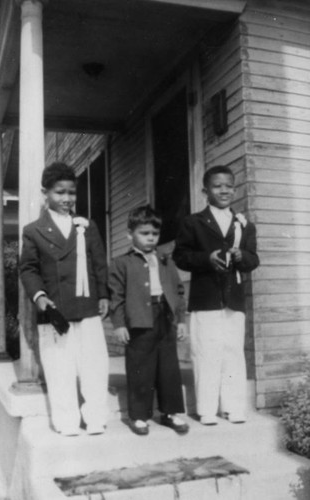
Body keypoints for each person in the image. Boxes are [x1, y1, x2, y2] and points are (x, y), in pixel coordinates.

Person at [20, 162, 109, 436]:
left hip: (87, 305)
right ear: (45, 192)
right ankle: (67, 422)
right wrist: (39, 296)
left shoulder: (86, 226)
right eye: (60, 192)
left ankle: (95, 418)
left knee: (94, 364)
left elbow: (99, 263)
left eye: (71, 193)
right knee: (60, 367)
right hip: (55, 308)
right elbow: (28, 268)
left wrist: (103, 294)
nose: (67, 199)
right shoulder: (34, 230)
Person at [173, 165, 259, 426]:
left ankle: (233, 408)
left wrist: (241, 256)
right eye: (217, 186)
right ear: (205, 191)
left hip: (233, 299)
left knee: (232, 351)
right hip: (206, 298)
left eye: (228, 186)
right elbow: (181, 256)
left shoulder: (243, 223)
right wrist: (206, 258)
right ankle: (207, 409)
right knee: (206, 351)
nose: (224, 190)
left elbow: (253, 259)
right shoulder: (194, 222)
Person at [108, 205, 189, 436]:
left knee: (168, 366)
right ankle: (139, 415)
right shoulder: (122, 263)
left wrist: (181, 320)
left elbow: (178, 291)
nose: (150, 238)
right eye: (144, 233)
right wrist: (119, 324)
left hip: (165, 315)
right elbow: (116, 297)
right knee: (140, 368)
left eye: (154, 234)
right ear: (130, 235)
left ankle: (170, 412)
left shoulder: (165, 260)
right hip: (138, 319)